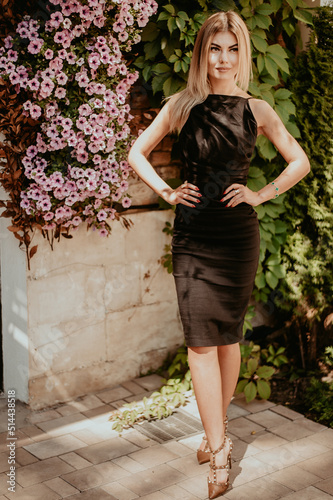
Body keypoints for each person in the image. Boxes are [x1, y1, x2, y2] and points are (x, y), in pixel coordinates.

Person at [128, 10, 310, 498]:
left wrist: (261, 193)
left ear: (241, 54)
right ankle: (220, 448)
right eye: (215, 48)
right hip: (192, 235)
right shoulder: (181, 106)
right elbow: (136, 153)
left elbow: (300, 161)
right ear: (202, 53)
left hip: (236, 236)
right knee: (200, 344)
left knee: (228, 338)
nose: (223, 58)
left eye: (232, 49)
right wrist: (167, 193)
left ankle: (217, 432)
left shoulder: (257, 109)